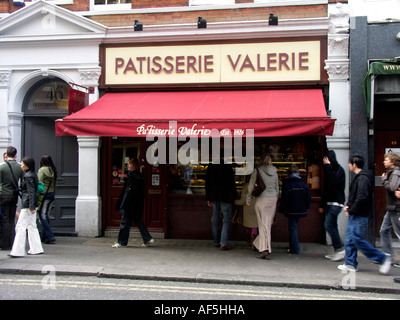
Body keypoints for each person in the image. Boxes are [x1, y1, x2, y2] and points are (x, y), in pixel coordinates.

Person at [338, 155, 391, 274]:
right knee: (350, 239)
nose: (348, 165)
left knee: (357, 239)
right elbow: (356, 196)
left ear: (354, 165)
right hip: (356, 213)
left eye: (349, 163)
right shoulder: (360, 177)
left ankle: (382, 258)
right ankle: (350, 263)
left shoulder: (362, 178)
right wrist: (349, 205)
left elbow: (362, 197)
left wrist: (352, 209)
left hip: (359, 214)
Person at [113, 158, 153, 248]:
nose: (128, 165)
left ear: (134, 165)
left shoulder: (132, 177)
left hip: (130, 205)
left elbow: (129, 192)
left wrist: (124, 204)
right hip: (136, 204)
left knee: (124, 223)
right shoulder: (139, 176)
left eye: (129, 164)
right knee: (137, 221)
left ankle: (121, 242)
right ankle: (147, 239)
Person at [9, 157, 44, 257]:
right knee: (32, 226)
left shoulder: (28, 176)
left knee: (20, 226)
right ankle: (36, 248)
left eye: (22, 164)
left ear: (27, 166)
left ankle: (18, 251)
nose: (21, 165)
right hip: (31, 204)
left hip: (28, 205)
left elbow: (31, 191)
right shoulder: (32, 174)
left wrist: (31, 206)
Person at [246, 153, 279, 260]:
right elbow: (277, 187)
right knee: (267, 225)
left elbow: (251, 186)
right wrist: (276, 197)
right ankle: (262, 246)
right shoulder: (274, 170)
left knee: (263, 225)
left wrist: (248, 199)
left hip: (262, 199)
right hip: (273, 198)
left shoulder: (257, 170)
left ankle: (265, 250)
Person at [319, 150, 346, 261]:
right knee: (332, 225)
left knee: (328, 225)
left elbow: (331, 182)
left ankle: (339, 249)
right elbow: (326, 189)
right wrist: (322, 204)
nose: (325, 162)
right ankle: (337, 250)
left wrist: (328, 167)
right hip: (330, 203)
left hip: (336, 203)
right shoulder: (330, 170)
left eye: (327, 159)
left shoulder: (339, 170)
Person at [205, 156, 236, 250]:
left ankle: (216, 241)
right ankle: (224, 242)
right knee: (226, 219)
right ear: (224, 157)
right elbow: (232, 183)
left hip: (214, 196)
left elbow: (207, 183)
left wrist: (208, 198)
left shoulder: (211, 167)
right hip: (225, 197)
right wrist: (234, 196)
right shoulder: (228, 167)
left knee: (215, 219)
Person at [279, 165, 311, 255]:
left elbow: (285, 198)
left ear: (289, 173)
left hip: (291, 210)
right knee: (293, 227)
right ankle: (292, 247)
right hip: (301, 209)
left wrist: (282, 209)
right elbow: (308, 198)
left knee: (292, 228)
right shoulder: (303, 185)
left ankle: (295, 249)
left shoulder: (288, 185)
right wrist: (306, 207)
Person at [0, 146, 23, 251]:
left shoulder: (2, 167)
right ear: (16, 155)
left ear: (6, 155)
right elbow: (23, 182)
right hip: (14, 194)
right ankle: (13, 241)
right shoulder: (20, 167)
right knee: (11, 218)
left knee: (4, 219)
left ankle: (5, 243)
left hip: (4, 194)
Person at [379, 152, 400, 260]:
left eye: (386, 160)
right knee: (384, 230)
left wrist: (384, 180)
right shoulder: (392, 172)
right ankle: (388, 257)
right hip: (391, 208)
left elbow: (392, 187)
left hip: (395, 208)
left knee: (398, 232)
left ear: (392, 162)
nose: (384, 162)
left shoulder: (395, 172)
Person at [37, 155, 57, 244]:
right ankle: (44, 236)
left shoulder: (42, 170)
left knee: (42, 215)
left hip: (44, 194)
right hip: (51, 194)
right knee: (46, 214)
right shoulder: (53, 170)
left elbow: (39, 184)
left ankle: (49, 236)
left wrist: (36, 195)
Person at [235, 180, 258, 250]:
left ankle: (248, 241)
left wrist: (235, 201)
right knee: (255, 226)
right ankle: (254, 243)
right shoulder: (259, 185)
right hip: (257, 207)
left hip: (248, 207)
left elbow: (242, 201)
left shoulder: (246, 187)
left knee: (248, 226)